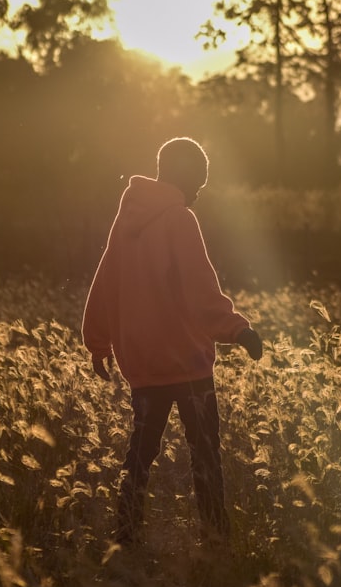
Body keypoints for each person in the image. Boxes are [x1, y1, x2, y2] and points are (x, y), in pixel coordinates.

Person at [81, 136, 263, 547]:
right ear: (181, 174)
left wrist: (98, 342)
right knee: (205, 455)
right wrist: (238, 330)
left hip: (144, 367)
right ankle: (217, 537)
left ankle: (125, 537)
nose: (199, 189)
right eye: (197, 180)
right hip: (187, 365)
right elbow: (201, 291)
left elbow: (104, 281)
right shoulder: (179, 219)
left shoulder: (126, 220)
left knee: (139, 457)